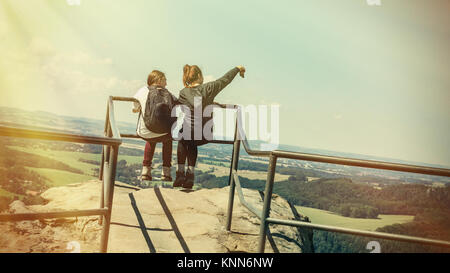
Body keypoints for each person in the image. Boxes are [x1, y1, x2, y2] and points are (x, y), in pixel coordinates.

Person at [173, 65, 246, 189]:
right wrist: (237, 68)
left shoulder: (183, 92)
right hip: (205, 134)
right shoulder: (210, 87)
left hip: (188, 133)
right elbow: (225, 79)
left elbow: (185, 105)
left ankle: (180, 173)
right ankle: (190, 175)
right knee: (192, 142)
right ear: (200, 76)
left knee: (183, 138)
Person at [132, 70, 178, 181]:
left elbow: (134, 109)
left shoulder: (142, 91)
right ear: (158, 80)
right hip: (165, 134)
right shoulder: (169, 94)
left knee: (151, 134)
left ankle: (145, 170)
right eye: (164, 80)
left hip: (145, 132)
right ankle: (166, 172)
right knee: (167, 138)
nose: (166, 84)